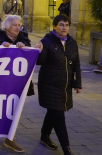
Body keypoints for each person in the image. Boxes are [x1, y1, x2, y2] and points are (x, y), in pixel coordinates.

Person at [34, 14, 81, 155]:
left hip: (64, 86)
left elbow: (76, 64)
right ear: (54, 26)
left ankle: (44, 135)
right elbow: (40, 62)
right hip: (49, 85)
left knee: (53, 111)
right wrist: (39, 51)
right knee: (58, 115)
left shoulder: (72, 43)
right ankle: (66, 148)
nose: (64, 27)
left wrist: (77, 83)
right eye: (61, 24)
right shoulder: (47, 41)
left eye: (66, 25)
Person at [0, 15, 29, 153]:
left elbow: (32, 55)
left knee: (14, 109)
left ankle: (10, 138)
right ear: (7, 26)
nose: (18, 27)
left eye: (19, 25)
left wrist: (25, 48)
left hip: (16, 83)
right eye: (14, 25)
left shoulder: (23, 38)